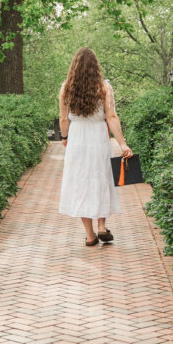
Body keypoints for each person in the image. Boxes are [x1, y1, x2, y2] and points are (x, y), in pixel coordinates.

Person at [58, 47, 133, 246]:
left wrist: (65, 137)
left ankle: (90, 235)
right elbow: (111, 116)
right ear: (95, 66)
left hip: (77, 137)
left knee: (80, 182)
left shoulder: (66, 88)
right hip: (99, 136)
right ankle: (101, 226)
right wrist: (122, 143)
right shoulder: (104, 87)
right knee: (101, 178)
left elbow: (63, 118)